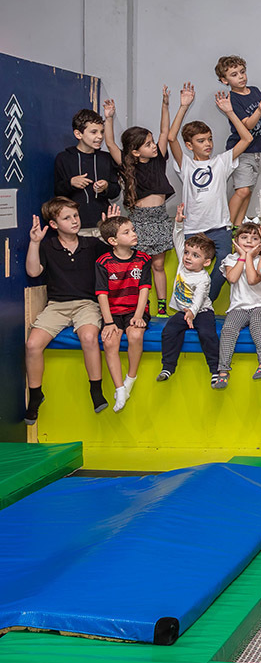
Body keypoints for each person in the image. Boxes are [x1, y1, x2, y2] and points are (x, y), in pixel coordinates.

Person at [25, 198, 118, 421]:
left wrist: (110, 229)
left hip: (87, 304)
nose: (75, 221)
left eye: (75, 216)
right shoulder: (48, 246)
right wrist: (35, 242)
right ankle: (36, 395)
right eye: (67, 218)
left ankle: (95, 389)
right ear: (54, 224)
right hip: (57, 306)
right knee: (32, 344)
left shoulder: (92, 244)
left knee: (88, 336)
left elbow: (119, 252)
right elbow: (33, 272)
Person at [167, 84, 255, 302]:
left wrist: (229, 111)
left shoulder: (221, 162)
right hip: (194, 227)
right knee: (190, 271)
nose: (207, 144)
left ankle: (205, 302)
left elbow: (247, 139)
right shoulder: (185, 165)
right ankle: (190, 305)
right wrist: (183, 107)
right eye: (201, 141)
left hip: (219, 227)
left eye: (209, 139)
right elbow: (170, 138)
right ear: (189, 145)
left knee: (225, 266)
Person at [105, 89, 176, 314]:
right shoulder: (128, 167)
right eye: (148, 144)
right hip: (139, 221)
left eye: (152, 142)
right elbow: (110, 143)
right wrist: (108, 118)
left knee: (157, 265)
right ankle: (140, 304)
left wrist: (165, 104)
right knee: (138, 266)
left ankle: (162, 306)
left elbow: (165, 131)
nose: (154, 145)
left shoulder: (158, 160)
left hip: (160, 218)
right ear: (135, 152)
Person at [94, 215, 151, 412]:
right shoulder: (103, 262)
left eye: (133, 230)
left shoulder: (143, 259)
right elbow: (102, 294)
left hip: (135, 309)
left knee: (135, 334)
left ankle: (130, 379)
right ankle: (119, 388)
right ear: (113, 241)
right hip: (113, 312)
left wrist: (138, 316)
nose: (133, 234)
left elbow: (144, 289)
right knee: (110, 341)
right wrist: (109, 322)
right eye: (127, 232)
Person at [157, 206, 218, 384]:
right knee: (168, 332)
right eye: (187, 253)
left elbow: (199, 298)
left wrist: (192, 312)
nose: (188, 257)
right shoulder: (183, 265)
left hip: (202, 312)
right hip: (183, 312)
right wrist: (178, 223)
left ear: (206, 262)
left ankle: (215, 369)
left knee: (207, 334)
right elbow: (178, 239)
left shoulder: (203, 278)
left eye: (195, 255)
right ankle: (168, 366)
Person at [215, 55, 261, 228]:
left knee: (247, 191)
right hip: (240, 149)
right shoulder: (232, 99)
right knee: (242, 190)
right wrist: (258, 111)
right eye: (234, 74)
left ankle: (238, 225)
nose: (241, 77)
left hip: (255, 150)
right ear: (224, 80)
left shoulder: (255, 91)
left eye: (242, 72)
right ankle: (227, 225)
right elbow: (247, 124)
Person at [215, 222, 261, 389]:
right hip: (239, 307)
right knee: (228, 329)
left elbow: (252, 279)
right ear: (236, 240)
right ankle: (223, 370)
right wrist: (242, 257)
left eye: (255, 238)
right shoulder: (230, 259)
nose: (249, 241)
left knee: (257, 322)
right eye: (244, 237)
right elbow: (232, 278)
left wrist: (250, 257)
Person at [53, 109, 120, 234]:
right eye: (94, 132)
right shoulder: (64, 158)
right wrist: (71, 183)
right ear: (78, 134)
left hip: (103, 225)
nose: (100, 136)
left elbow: (116, 191)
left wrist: (106, 186)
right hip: (76, 227)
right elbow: (58, 191)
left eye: (102, 132)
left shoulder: (106, 158)